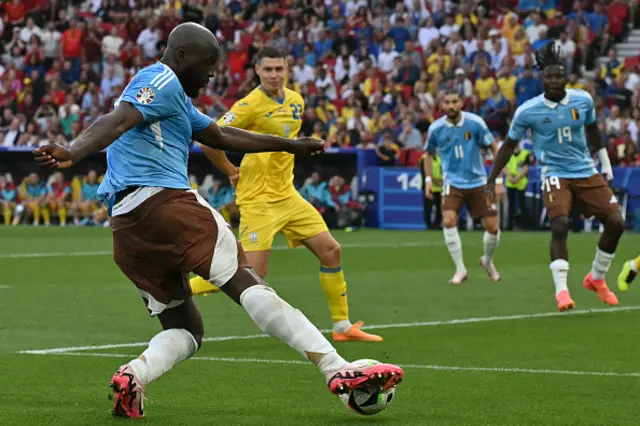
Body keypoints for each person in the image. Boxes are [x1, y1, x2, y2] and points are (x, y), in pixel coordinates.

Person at [33, 23, 403, 419]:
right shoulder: (158, 78)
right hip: (166, 203)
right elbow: (118, 118)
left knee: (187, 330)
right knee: (248, 282)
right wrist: (74, 150)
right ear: (179, 57)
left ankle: (133, 376)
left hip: (127, 229)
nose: (213, 73)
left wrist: (292, 145)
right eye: (207, 63)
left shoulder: (177, 102)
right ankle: (337, 368)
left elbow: (223, 137)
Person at [189, 46, 383, 342]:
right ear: (257, 71)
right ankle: (182, 288)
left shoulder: (296, 101)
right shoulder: (249, 105)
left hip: (288, 195)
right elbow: (208, 141)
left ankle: (342, 326)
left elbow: (284, 145)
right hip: (258, 198)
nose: (274, 75)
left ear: (287, 70)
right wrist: (230, 171)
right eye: (268, 69)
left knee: (331, 251)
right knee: (251, 275)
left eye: (279, 69)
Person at [486, 42, 624, 311]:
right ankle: (562, 291)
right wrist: (492, 179)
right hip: (554, 173)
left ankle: (596, 277)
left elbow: (594, 133)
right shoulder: (528, 111)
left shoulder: (582, 100)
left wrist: (605, 164)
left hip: (585, 169)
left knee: (616, 222)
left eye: (559, 75)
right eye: (549, 76)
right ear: (541, 78)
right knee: (560, 224)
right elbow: (508, 146)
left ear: (566, 77)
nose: (554, 80)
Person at [423, 89, 504, 285]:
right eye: (447, 102)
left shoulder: (475, 123)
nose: (451, 106)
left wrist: (498, 181)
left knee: (492, 227)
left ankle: (487, 260)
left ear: (461, 103)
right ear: (442, 106)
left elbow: (494, 147)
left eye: (454, 102)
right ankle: (460, 269)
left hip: (478, 181)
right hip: (452, 182)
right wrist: (427, 180)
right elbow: (428, 154)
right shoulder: (436, 128)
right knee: (449, 220)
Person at [419, 150, 442, 229]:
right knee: (428, 207)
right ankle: (429, 225)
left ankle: (437, 224)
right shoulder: (424, 158)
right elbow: (424, 173)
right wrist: (435, 181)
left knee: (440, 207)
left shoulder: (439, 158)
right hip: (428, 187)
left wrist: (441, 182)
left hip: (439, 188)